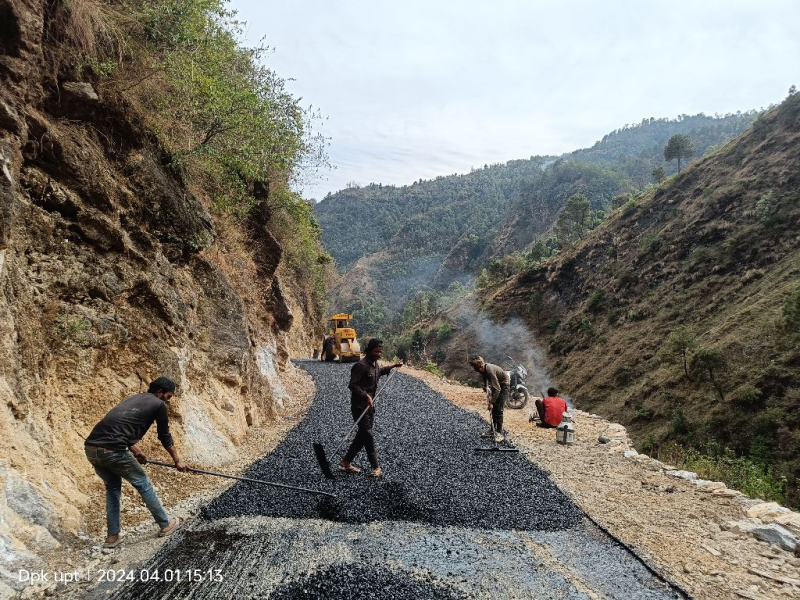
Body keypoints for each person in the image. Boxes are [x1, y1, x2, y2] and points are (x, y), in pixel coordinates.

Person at [84, 377, 188, 548]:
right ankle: (166, 524)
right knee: (143, 483)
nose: (169, 401)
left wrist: (135, 450)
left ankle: (112, 537)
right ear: (159, 392)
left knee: (113, 488)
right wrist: (178, 461)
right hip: (113, 450)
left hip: (91, 449)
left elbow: (117, 427)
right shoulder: (158, 404)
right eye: (168, 396)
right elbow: (164, 436)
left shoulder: (134, 398)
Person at [339, 338, 403, 478]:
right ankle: (376, 467)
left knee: (362, 437)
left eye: (380, 352)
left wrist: (393, 366)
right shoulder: (360, 366)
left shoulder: (375, 364)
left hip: (369, 408)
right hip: (359, 407)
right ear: (369, 350)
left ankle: (345, 462)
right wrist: (365, 396)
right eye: (376, 351)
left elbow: (380, 371)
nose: (379, 354)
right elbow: (352, 385)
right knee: (368, 435)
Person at [469, 355, 510, 442]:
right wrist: (485, 386)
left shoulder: (489, 370)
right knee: (493, 409)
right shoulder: (483, 370)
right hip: (498, 385)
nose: (477, 371)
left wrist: (491, 402)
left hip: (504, 385)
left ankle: (499, 433)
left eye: (477, 369)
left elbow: (498, 389)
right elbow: (485, 377)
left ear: (480, 367)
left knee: (498, 409)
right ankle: (492, 430)